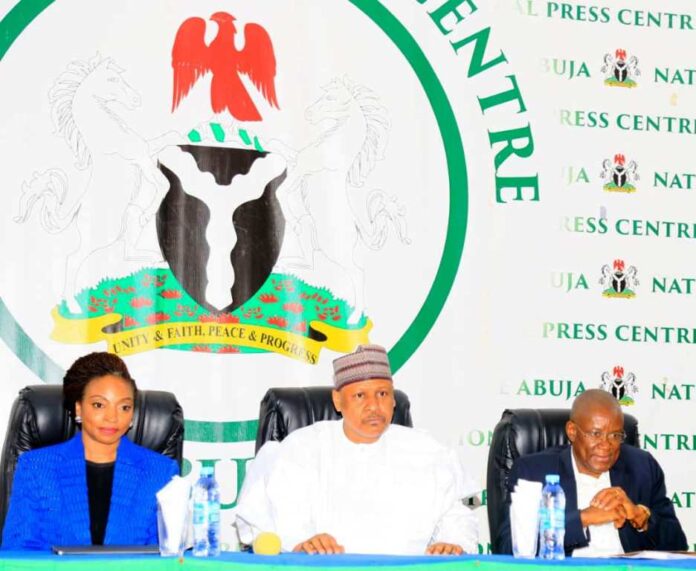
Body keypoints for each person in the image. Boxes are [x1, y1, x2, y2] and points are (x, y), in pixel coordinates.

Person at [236, 344, 479, 555]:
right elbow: (256, 524)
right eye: (360, 395)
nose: (374, 406)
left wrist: (452, 542)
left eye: (383, 394)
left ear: (394, 399)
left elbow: (463, 507)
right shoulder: (299, 449)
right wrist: (300, 544)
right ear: (338, 401)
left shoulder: (429, 452)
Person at [2, 352, 179, 550]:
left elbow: (166, 554)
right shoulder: (36, 468)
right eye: (99, 405)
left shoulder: (161, 472)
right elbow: (19, 551)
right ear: (78, 408)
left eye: (124, 407)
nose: (112, 417)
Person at [498, 389, 687, 556]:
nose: (606, 445)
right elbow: (507, 549)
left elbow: (678, 547)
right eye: (596, 434)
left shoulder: (642, 467)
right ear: (572, 431)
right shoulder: (533, 472)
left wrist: (642, 518)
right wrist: (583, 519)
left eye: (615, 435)